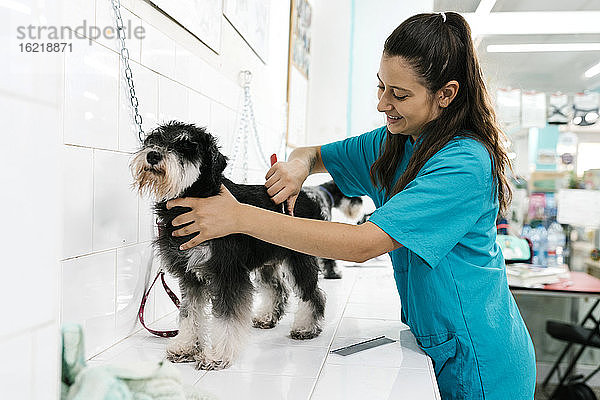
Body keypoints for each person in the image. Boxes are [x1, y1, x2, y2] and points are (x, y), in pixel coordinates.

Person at [166, 12, 536, 400]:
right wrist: (295, 169)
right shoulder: (395, 141)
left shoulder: (464, 164)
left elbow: (362, 245)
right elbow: (313, 154)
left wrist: (239, 217)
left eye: (400, 94)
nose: (382, 104)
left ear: (446, 94)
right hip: (434, 340)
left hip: (481, 361)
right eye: (381, 87)